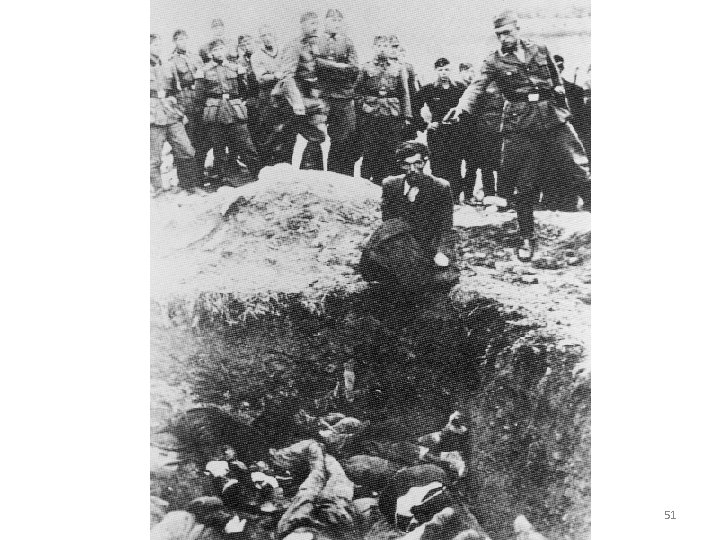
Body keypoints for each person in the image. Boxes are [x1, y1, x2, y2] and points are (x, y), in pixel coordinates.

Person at [444, 10, 591, 262]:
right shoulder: (493, 61)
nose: (504, 38)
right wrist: (461, 108)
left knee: (579, 166)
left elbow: (557, 83)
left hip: (552, 118)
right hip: (520, 123)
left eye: (508, 33)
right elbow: (476, 87)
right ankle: (526, 236)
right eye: (499, 34)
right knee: (523, 182)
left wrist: (563, 112)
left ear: (518, 29)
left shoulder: (540, 49)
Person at [359, 141, 459, 291]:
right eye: (406, 165)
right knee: (377, 266)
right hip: (400, 243)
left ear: (425, 161)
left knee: (440, 279)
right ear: (400, 165)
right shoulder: (391, 185)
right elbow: (389, 223)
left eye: (418, 163)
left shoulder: (440, 187)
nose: (412, 169)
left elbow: (446, 228)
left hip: (428, 244)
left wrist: (442, 252)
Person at [199, 39, 260, 184]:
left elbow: (246, 89)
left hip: (234, 110)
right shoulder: (203, 71)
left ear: (225, 50)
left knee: (246, 144)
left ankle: (257, 175)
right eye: (215, 50)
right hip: (215, 113)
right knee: (219, 148)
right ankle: (224, 180)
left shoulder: (236, 68)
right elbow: (199, 96)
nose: (219, 52)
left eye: (221, 49)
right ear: (210, 53)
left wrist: (239, 102)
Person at [273, 11, 328, 170]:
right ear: (302, 25)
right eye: (312, 24)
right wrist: (297, 103)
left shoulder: (317, 45)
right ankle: (283, 175)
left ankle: (309, 174)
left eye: (317, 24)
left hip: (312, 100)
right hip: (292, 101)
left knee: (317, 136)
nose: (315, 27)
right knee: (286, 140)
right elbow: (287, 77)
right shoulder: (294, 46)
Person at [355, 35, 413, 183]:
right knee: (370, 151)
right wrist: (364, 107)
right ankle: (365, 183)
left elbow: (404, 93)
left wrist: (406, 116)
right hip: (371, 116)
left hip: (392, 115)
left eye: (385, 46)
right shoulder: (365, 67)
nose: (382, 49)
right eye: (379, 46)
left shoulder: (398, 68)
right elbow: (356, 92)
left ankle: (384, 183)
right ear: (373, 48)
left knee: (390, 151)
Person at [150, 34, 201, 195]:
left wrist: (180, 110)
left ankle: (190, 185)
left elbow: (176, 90)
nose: (157, 48)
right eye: (154, 45)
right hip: (152, 116)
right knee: (154, 158)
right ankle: (157, 190)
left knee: (186, 149)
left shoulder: (168, 65)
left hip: (171, 113)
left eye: (159, 45)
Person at [412, 58, 467, 204]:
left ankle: (454, 197)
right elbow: (414, 106)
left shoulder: (460, 88)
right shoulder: (429, 89)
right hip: (437, 133)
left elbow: (469, 107)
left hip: (456, 132)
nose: (444, 73)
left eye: (446, 69)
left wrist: (461, 120)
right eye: (440, 70)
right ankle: (438, 198)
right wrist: (425, 125)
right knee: (437, 164)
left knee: (455, 164)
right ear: (436, 71)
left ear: (451, 70)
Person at [315, 8, 360, 176]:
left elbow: (354, 68)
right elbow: (313, 64)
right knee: (315, 138)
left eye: (339, 21)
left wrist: (326, 67)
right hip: (322, 96)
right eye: (332, 20)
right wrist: (338, 66)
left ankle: (342, 177)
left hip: (343, 97)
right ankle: (316, 177)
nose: (336, 24)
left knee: (345, 139)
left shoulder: (347, 42)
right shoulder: (316, 41)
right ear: (325, 22)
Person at [167, 30, 211, 178]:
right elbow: (172, 87)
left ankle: (200, 174)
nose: (183, 42)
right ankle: (189, 178)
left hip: (199, 100)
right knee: (187, 142)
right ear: (175, 42)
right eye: (180, 40)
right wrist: (180, 110)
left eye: (185, 39)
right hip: (185, 102)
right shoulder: (172, 61)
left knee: (203, 140)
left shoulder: (196, 57)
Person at [252, 25, 283, 167]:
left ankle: (284, 166)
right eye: (263, 35)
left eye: (269, 34)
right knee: (268, 133)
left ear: (274, 35)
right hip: (267, 97)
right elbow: (261, 77)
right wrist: (276, 75)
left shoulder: (283, 51)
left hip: (285, 95)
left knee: (286, 132)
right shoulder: (256, 56)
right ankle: (266, 167)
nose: (267, 38)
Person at [389, 35, 420, 141]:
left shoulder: (407, 67)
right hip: (388, 110)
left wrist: (412, 115)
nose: (394, 50)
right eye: (392, 47)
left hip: (404, 110)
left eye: (396, 47)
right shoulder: (381, 66)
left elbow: (412, 93)